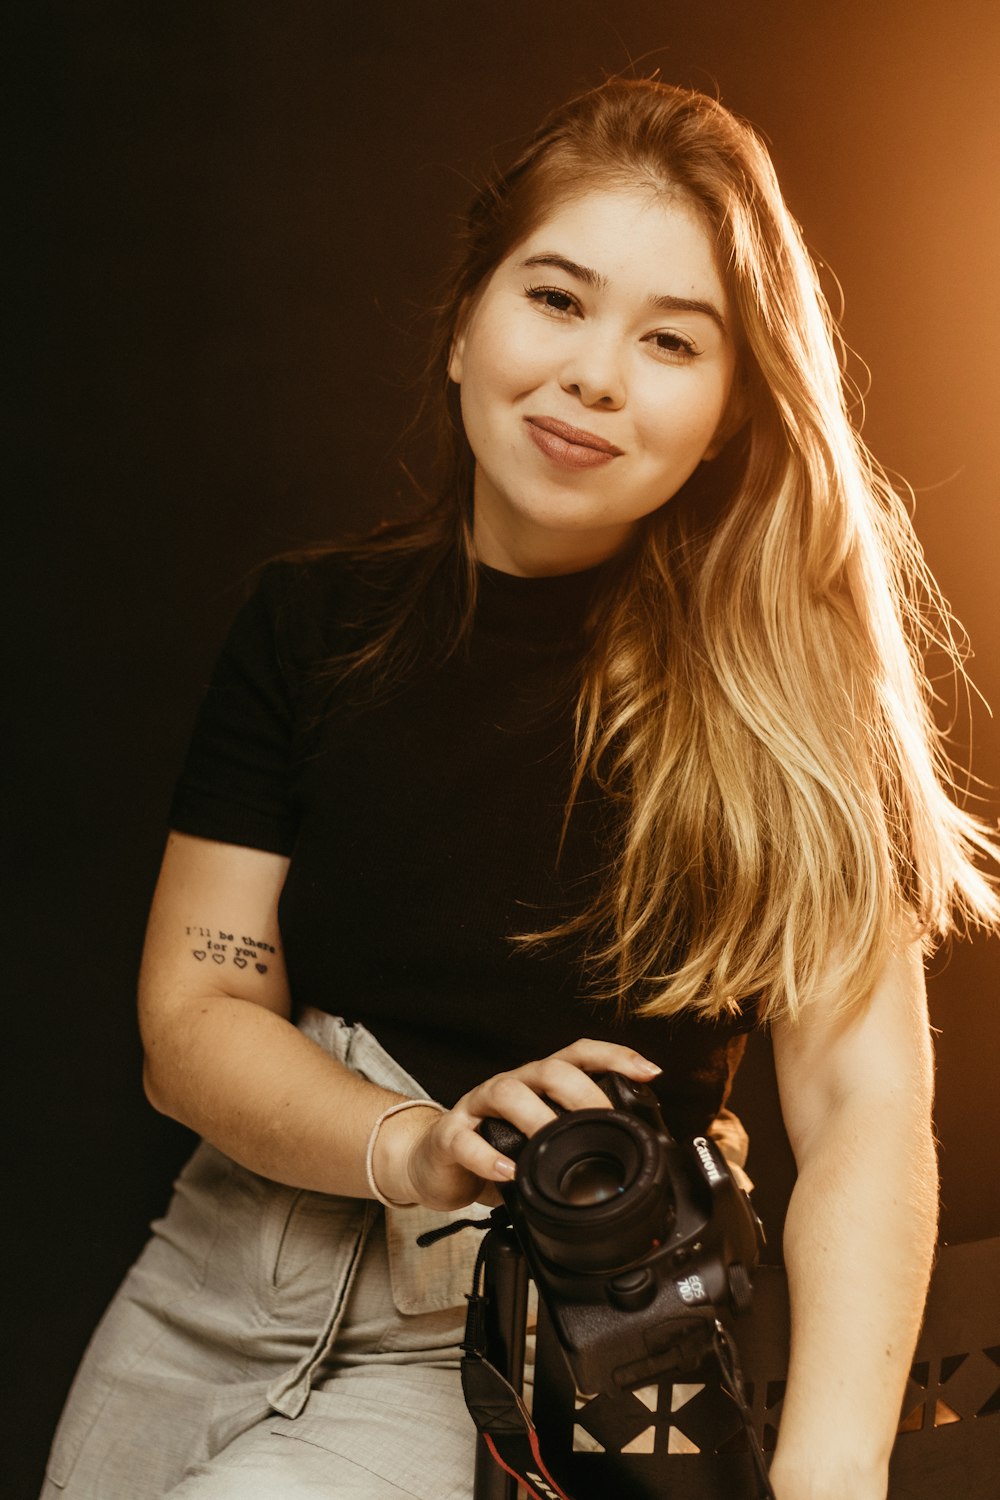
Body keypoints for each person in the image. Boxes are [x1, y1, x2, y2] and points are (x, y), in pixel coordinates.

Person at [42, 77, 998, 1500]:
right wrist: (411, 1140)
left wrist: (833, 1474)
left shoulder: (792, 707)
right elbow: (192, 1019)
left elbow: (863, 1109)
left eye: (671, 341)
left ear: (732, 412)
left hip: (516, 1337)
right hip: (210, 1277)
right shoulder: (309, 625)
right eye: (556, 300)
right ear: (464, 326)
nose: (595, 374)